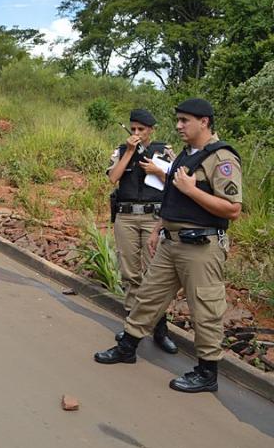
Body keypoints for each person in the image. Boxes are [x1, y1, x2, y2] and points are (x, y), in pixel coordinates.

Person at [94, 98, 243, 393]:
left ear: (204, 122)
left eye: (184, 120)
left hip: (201, 245)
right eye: (178, 120)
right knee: (148, 295)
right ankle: (128, 346)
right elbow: (173, 197)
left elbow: (232, 209)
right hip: (170, 241)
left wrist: (191, 190)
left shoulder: (221, 158)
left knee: (205, 307)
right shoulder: (186, 156)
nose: (178, 126)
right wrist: (160, 227)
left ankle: (207, 371)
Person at [106, 109, 177, 354]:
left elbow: (180, 182)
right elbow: (113, 178)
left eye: (141, 129)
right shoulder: (120, 150)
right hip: (126, 216)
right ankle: (131, 327)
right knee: (130, 273)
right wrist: (128, 152)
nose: (136, 133)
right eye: (133, 128)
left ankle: (160, 329)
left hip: (153, 218)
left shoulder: (163, 151)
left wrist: (158, 171)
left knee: (155, 275)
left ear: (151, 130)